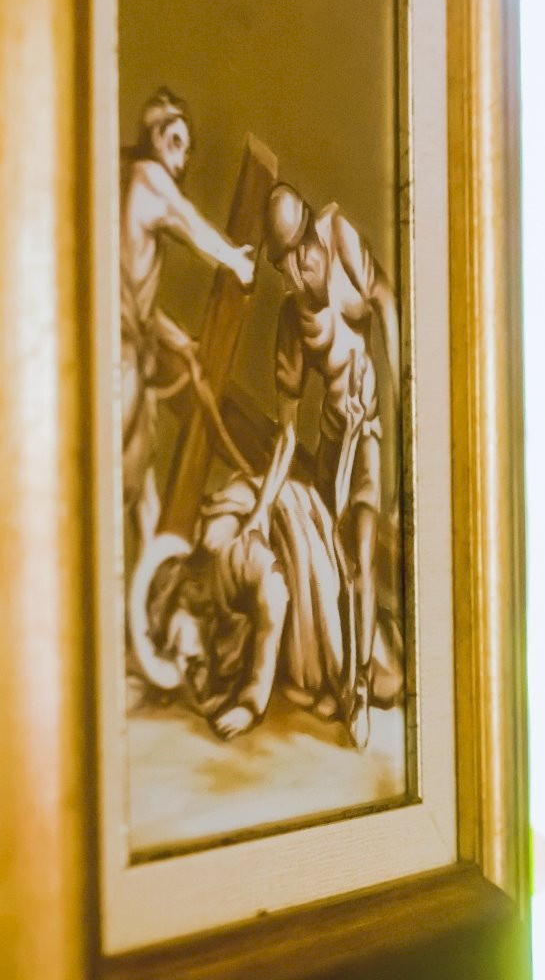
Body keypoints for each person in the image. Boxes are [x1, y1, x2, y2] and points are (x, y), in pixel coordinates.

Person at [129, 423, 404, 742]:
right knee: (302, 678)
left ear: (179, 598)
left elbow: (274, 593)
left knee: (358, 676)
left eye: (172, 643)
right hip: (266, 532)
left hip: (294, 532)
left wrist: (251, 704)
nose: (180, 658)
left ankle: (374, 646)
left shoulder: (226, 553)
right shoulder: (205, 613)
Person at [262, 181, 400, 748]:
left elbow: (386, 301)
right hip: (330, 443)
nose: (301, 270)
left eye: (304, 251)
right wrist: (261, 508)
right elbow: (287, 431)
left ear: (315, 231)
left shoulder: (342, 240)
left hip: (368, 434)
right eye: (287, 264)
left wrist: (403, 392)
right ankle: (345, 676)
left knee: (363, 553)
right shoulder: (290, 322)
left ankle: (360, 686)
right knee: (333, 568)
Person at [119, 89, 255, 539]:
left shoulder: (124, 181)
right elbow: (192, 226)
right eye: (175, 142)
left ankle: (159, 574)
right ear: (156, 138)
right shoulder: (148, 177)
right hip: (120, 361)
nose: (182, 159)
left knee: (142, 479)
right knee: (121, 476)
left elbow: (135, 301)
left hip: (131, 354)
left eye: (186, 148)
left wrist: (177, 339)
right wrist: (236, 262)